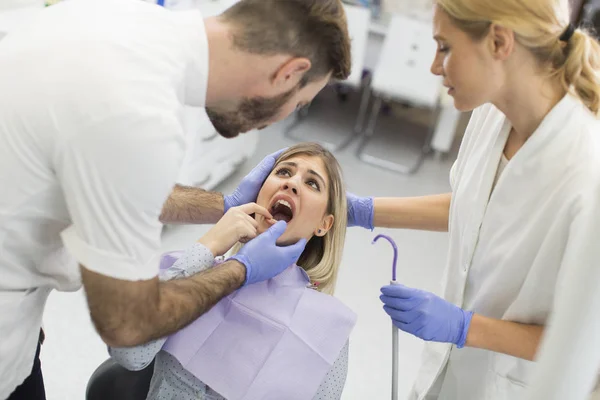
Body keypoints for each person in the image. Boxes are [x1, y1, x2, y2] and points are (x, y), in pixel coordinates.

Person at [0, 0, 352, 398]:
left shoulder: (111, 21)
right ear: (289, 73)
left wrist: (222, 204)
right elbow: (126, 328)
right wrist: (237, 269)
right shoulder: (144, 119)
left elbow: (107, 179)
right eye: (299, 103)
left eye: (312, 183)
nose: (283, 118)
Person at [345, 0, 600, 398]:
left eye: (444, 47)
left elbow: (586, 343)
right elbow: (473, 206)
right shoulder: (492, 114)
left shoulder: (587, 171)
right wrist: (360, 211)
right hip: (448, 374)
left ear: (499, 41)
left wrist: (465, 327)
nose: (433, 65)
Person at [108, 143, 353, 400]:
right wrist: (209, 246)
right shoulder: (191, 270)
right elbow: (128, 351)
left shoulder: (324, 329)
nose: (291, 183)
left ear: (324, 225)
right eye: (283, 172)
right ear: (258, 193)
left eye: (312, 183)